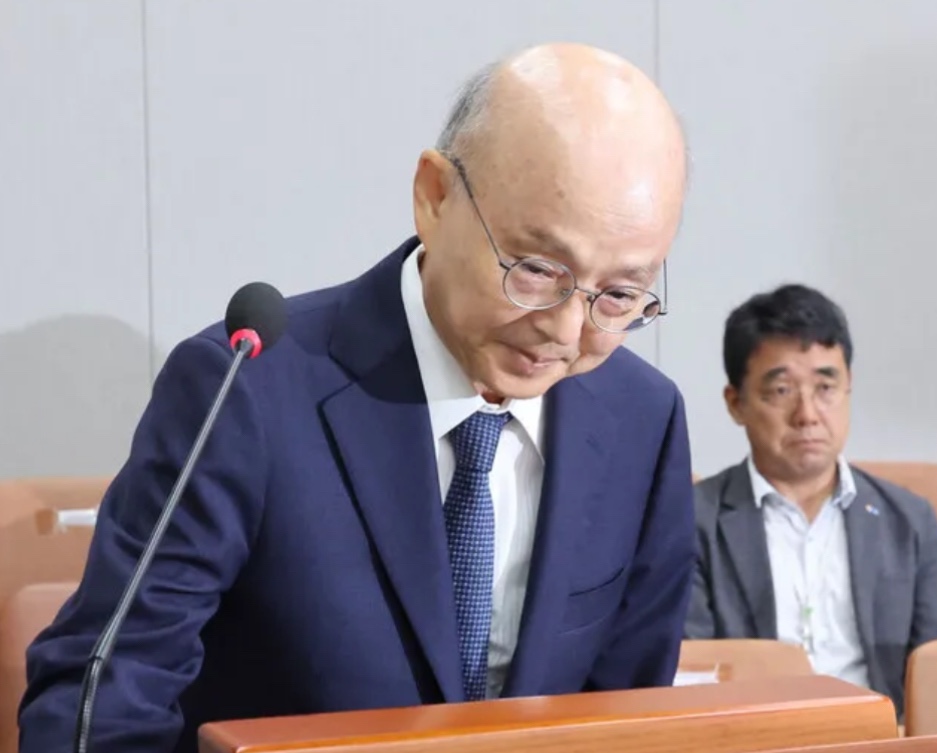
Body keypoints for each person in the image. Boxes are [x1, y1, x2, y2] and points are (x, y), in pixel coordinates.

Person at [19, 43, 694, 753]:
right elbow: (106, 688)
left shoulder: (640, 420)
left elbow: (631, 715)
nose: (565, 329)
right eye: (535, 269)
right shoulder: (246, 391)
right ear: (435, 197)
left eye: (620, 295)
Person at [686, 284, 937, 717]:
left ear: (849, 387)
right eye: (781, 390)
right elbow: (690, 675)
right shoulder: (693, 520)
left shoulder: (909, 519)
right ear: (735, 403)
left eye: (826, 387)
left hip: (883, 738)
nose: (808, 415)